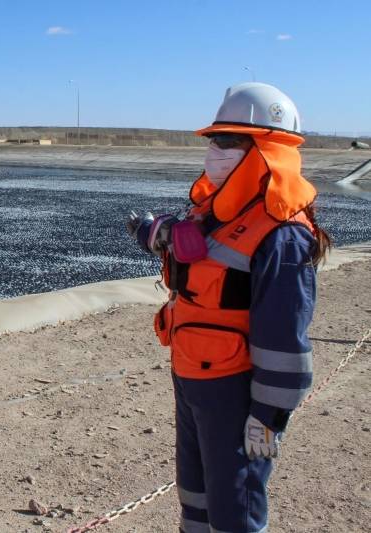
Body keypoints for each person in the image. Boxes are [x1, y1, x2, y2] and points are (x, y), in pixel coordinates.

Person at [126, 82, 330, 533]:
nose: (214, 151)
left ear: (264, 150)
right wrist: (157, 232)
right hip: (192, 378)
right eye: (214, 140)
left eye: (227, 141)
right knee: (195, 499)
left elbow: (283, 336)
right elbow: (195, 249)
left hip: (236, 393)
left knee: (234, 510)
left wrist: (267, 416)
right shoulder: (218, 212)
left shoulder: (282, 234)